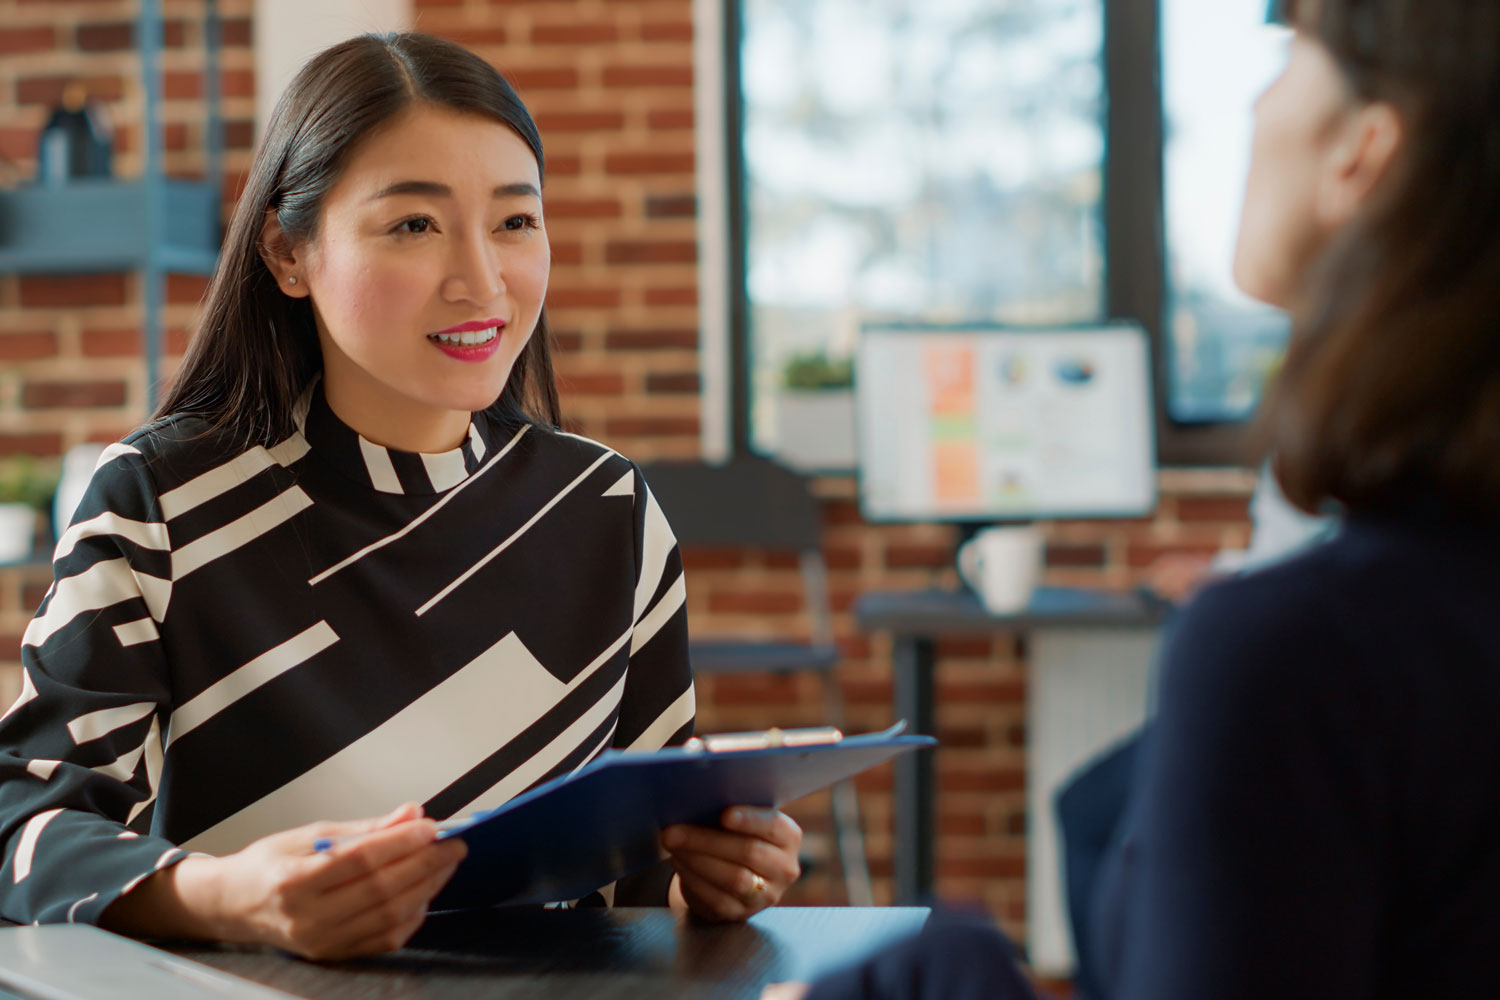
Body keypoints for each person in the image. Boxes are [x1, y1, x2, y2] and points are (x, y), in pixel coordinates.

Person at [0, 33, 802, 960]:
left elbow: (634, 874)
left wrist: (715, 874)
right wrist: (233, 897)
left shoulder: (606, 510)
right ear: (287, 252)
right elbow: (23, 826)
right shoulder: (159, 505)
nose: (482, 280)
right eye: (414, 225)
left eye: (515, 221)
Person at [776, 0, 1500, 995]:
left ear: (1362, 155)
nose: (1255, 97)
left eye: (1290, 56)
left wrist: (965, 977)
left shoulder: (1301, 658)